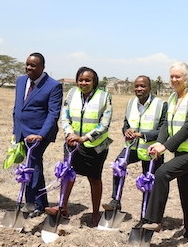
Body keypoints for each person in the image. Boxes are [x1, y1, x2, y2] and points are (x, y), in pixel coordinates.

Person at [142, 62, 188, 240]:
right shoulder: (172, 98)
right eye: (172, 76)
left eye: (178, 76)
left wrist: (165, 147)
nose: (174, 79)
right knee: (187, 189)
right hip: (181, 150)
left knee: (162, 173)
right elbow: (166, 124)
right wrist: (159, 143)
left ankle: (153, 219)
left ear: (186, 78)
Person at [45, 67, 112, 227]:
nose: (84, 83)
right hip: (72, 143)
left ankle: (95, 214)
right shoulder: (71, 94)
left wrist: (84, 138)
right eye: (81, 80)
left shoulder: (104, 97)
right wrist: (69, 133)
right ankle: (62, 208)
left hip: (95, 146)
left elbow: (104, 124)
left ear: (94, 82)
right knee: (67, 176)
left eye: (88, 80)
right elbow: (65, 116)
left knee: (94, 179)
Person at [102, 75, 167, 211]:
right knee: (118, 165)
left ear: (150, 87)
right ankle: (115, 201)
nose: (139, 89)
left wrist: (142, 135)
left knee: (150, 181)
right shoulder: (131, 103)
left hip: (151, 150)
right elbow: (126, 124)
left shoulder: (161, 105)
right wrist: (126, 131)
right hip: (132, 147)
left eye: (143, 86)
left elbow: (163, 131)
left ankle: (147, 213)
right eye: (136, 86)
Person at [12, 53, 63, 217]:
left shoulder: (53, 86)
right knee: (34, 164)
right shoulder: (21, 81)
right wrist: (15, 130)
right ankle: (40, 203)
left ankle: (31, 202)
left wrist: (41, 135)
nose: (29, 68)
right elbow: (18, 106)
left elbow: (53, 114)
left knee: (32, 164)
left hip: (39, 133)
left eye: (33, 65)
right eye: (27, 64)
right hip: (22, 131)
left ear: (42, 67)